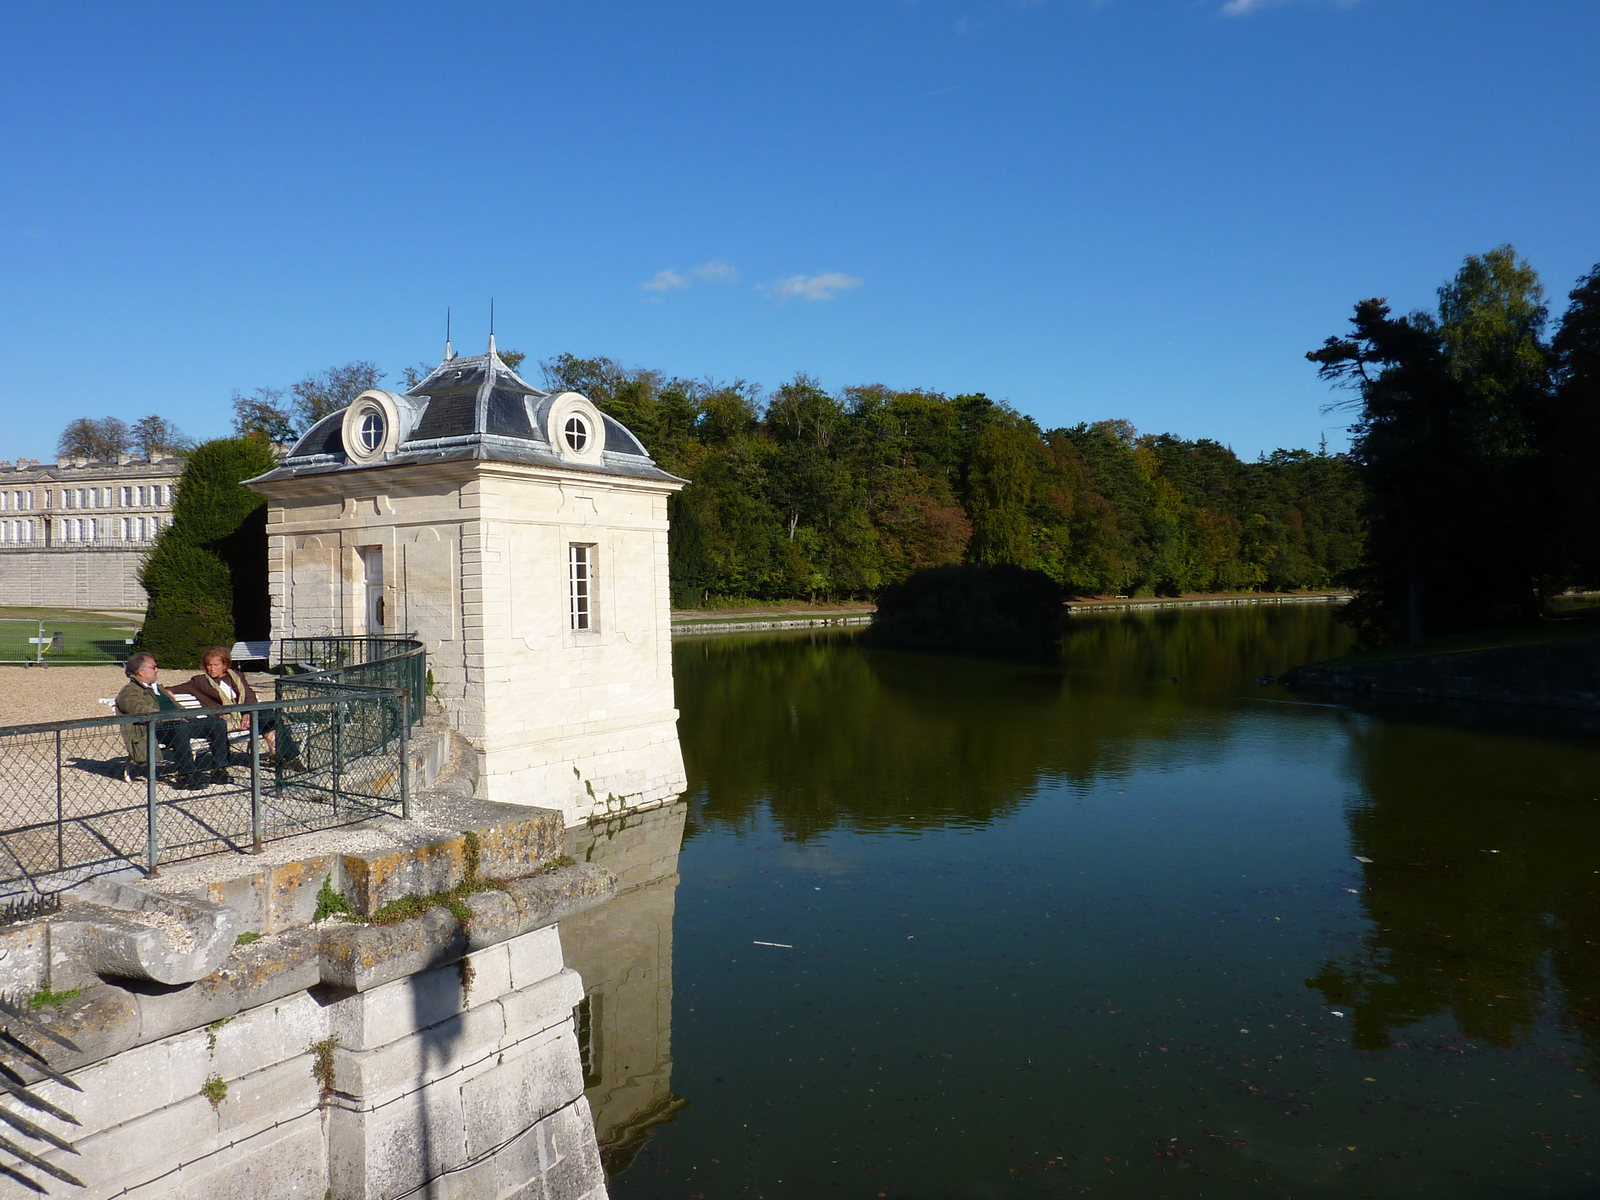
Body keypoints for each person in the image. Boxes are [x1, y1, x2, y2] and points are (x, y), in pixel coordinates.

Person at [114, 652, 231, 788]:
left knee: (217, 723)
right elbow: (141, 711)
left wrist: (189, 716)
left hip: (179, 724)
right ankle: (186, 775)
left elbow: (178, 709)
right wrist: (172, 717)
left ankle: (219, 770)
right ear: (140, 671)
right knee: (179, 726)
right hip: (154, 729)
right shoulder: (129, 692)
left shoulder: (157, 688)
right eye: (153, 667)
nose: (157, 670)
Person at [180, 646, 304, 773]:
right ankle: (287, 757)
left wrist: (246, 714)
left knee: (268, 715)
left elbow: (249, 695)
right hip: (225, 720)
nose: (211, 668)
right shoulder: (200, 681)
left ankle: (277, 752)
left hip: (246, 716)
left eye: (216, 665)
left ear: (225, 665)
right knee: (270, 717)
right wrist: (162, 691)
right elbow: (173, 689)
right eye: (209, 665)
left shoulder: (236, 677)